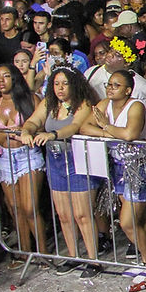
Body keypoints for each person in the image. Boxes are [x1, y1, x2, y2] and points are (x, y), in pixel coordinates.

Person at [20, 67, 101, 276]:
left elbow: (75, 126)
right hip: (55, 162)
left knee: (82, 214)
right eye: (56, 84)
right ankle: (73, 256)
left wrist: (53, 134)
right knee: (64, 215)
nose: (60, 88)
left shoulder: (83, 104)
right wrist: (27, 131)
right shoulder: (49, 103)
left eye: (65, 83)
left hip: (76, 160)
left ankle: (93, 260)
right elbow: (33, 121)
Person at [81, 69, 146, 271]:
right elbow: (85, 127)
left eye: (116, 85)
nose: (110, 88)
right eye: (109, 84)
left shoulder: (136, 106)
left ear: (127, 90)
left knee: (127, 222)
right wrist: (108, 133)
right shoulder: (104, 104)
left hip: (139, 166)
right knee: (138, 221)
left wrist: (106, 126)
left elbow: (130, 134)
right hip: (119, 165)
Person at [0, 63, 46, 264]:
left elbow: (41, 128)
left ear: (15, 78)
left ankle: (43, 254)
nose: (1, 81)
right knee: (15, 208)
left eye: (6, 76)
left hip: (28, 155)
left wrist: (25, 132)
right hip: (4, 158)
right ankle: (25, 252)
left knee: (30, 208)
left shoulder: (31, 100)